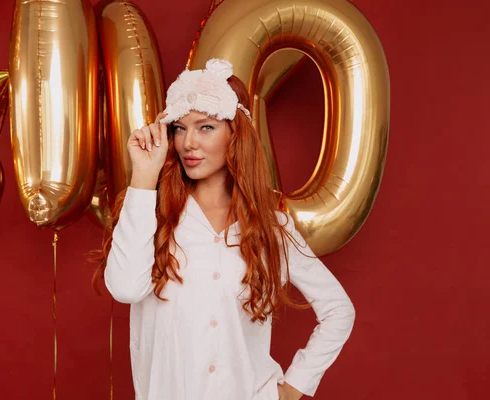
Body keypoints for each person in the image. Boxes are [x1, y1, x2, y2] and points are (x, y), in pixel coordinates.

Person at [92, 59, 355, 400]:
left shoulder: (271, 227)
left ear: (235, 133)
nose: (188, 142)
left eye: (205, 127)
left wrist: (292, 389)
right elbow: (126, 289)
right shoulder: (151, 213)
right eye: (180, 128)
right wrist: (144, 174)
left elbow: (338, 310)